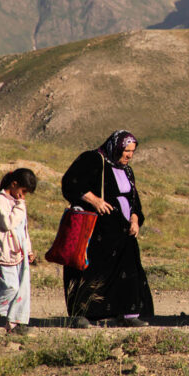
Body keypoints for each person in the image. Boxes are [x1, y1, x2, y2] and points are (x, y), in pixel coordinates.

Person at [61, 130, 153, 327]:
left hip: (123, 232)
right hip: (96, 232)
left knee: (127, 272)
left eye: (132, 151)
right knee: (90, 272)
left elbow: (134, 200)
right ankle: (82, 315)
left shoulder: (127, 170)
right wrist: (95, 200)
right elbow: (70, 183)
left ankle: (127, 315)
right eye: (126, 150)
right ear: (116, 147)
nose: (129, 155)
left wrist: (135, 219)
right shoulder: (94, 160)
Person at [0, 168, 37, 335]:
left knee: (22, 289)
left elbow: (23, 229)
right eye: (23, 191)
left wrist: (28, 249)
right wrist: (20, 206)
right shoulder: (1, 200)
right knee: (10, 287)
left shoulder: (19, 202)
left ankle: (16, 323)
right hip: (4, 253)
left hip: (19, 253)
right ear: (14, 184)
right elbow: (8, 224)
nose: (23, 196)